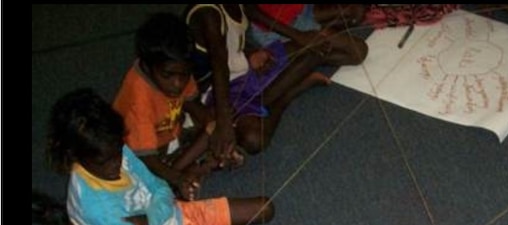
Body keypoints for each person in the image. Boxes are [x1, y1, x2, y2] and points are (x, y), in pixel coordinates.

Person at [47, 87, 279, 225]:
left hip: (175, 215)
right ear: (75, 156)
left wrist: (151, 219)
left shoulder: (111, 147)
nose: (116, 165)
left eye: (118, 151)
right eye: (104, 162)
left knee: (266, 208)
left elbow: (161, 188)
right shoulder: (99, 208)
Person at [184, 4, 342, 163]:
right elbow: (220, 67)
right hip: (217, 90)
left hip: (244, 67)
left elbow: (247, 24)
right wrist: (224, 121)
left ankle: (260, 102)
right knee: (254, 140)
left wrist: (297, 36)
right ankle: (285, 97)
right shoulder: (208, 14)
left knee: (326, 51)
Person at [114, 12, 214, 200]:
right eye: (168, 76)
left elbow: (192, 103)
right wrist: (179, 179)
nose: (177, 84)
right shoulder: (139, 97)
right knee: (146, 178)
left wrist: (217, 128)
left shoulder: (177, 69)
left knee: (216, 123)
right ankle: (188, 169)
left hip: (170, 134)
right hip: (141, 155)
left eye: (183, 75)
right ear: (147, 66)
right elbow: (147, 157)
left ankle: (190, 165)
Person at [244, 4, 369, 64]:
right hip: (276, 29)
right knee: (358, 51)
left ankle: (304, 54)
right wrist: (298, 35)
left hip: (301, 12)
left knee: (353, 13)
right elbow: (250, 10)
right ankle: (302, 60)